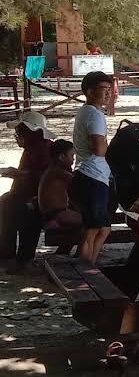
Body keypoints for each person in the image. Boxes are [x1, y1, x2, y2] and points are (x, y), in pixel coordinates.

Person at [70, 71, 115, 264]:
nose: (108, 94)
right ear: (89, 91)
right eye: (104, 89)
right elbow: (99, 149)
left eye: (110, 90)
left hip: (88, 174)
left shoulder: (87, 111)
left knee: (102, 228)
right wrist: (112, 149)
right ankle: (85, 271)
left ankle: (90, 266)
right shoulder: (94, 115)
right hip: (92, 176)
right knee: (93, 229)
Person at [1, 110, 53, 270]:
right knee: (6, 203)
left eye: (19, 133)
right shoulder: (32, 147)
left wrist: (19, 174)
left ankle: (21, 258)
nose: (17, 136)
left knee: (24, 214)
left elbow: (45, 176)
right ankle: (7, 254)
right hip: (24, 194)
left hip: (37, 198)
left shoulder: (45, 148)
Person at [37, 140, 81, 241]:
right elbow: (79, 182)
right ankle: (83, 253)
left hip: (55, 213)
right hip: (56, 214)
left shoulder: (52, 170)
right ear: (61, 157)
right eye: (71, 156)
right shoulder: (57, 171)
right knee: (93, 222)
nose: (73, 160)